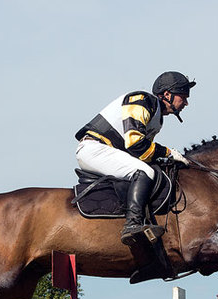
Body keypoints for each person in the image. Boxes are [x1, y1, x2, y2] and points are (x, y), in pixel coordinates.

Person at [75, 71, 194, 245]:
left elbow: (142, 153)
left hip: (104, 150)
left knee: (151, 170)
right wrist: (168, 152)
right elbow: (136, 144)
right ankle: (132, 224)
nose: (186, 102)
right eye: (183, 97)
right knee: (143, 171)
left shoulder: (157, 117)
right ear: (167, 94)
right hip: (95, 149)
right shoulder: (144, 101)